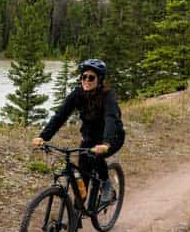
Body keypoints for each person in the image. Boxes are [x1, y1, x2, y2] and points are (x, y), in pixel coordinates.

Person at [32, 58, 125, 206]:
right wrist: (43, 137)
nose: (86, 80)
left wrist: (106, 143)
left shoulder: (108, 96)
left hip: (113, 136)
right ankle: (78, 208)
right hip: (90, 137)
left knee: (95, 156)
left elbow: (111, 118)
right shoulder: (78, 93)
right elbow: (60, 115)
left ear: (99, 79)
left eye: (91, 77)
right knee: (82, 173)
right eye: (84, 77)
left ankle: (106, 184)